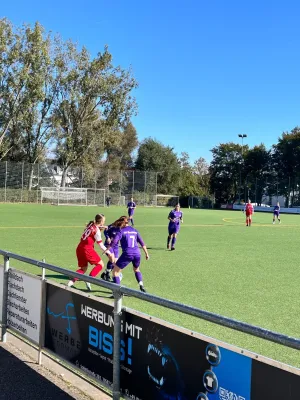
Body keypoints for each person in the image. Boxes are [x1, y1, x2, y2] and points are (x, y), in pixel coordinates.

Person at [67, 214, 114, 291]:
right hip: (87, 249)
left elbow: (94, 228)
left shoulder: (91, 224)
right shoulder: (97, 231)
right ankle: (89, 279)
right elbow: (101, 245)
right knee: (100, 264)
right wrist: (109, 253)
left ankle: (70, 283)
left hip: (79, 248)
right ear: (101, 221)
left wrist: (102, 227)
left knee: (83, 268)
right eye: (104, 221)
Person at [108, 220, 149, 292]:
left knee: (115, 272)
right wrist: (146, 254)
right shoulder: (135, 230)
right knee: (136, 269)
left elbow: (114, 241)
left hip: (127, 254)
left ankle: (118, 292)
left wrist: (108, 248)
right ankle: (141, 285)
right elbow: (142, 243)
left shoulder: (121, 231)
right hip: (137, 253)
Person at [101, 216, 128, 282]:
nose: (126, 223)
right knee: (112, 259)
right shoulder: (113, 226)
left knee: (115, 263)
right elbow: (105, 231)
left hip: (116, 246)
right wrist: (107, 237)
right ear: (122, 221)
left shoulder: (123, 228)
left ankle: (105, 273)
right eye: (125, 222)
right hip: (108, 245)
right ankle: (107, 274)